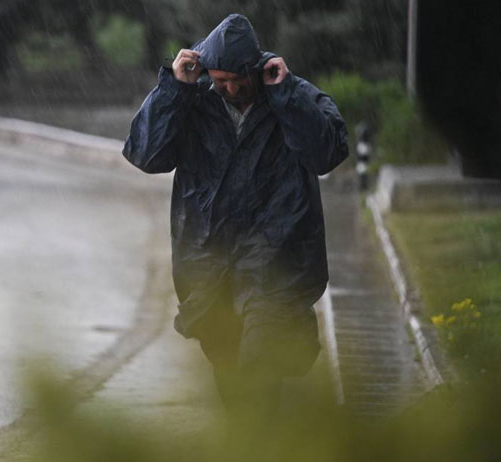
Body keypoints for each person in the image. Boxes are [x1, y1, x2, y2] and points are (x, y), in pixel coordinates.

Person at [122, 14, 348, 416]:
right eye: (219, 80)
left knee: (260, 358)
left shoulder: (293, 96)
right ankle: (251, 454)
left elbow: (326, 153)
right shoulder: (195, 105)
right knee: (228, 366)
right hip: (211, 264)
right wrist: (175, 88)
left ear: (255, 70)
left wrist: (286, 96)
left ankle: (257, 459)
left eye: (236, 80)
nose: (228, 88)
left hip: (276, 257)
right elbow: (146, 153)